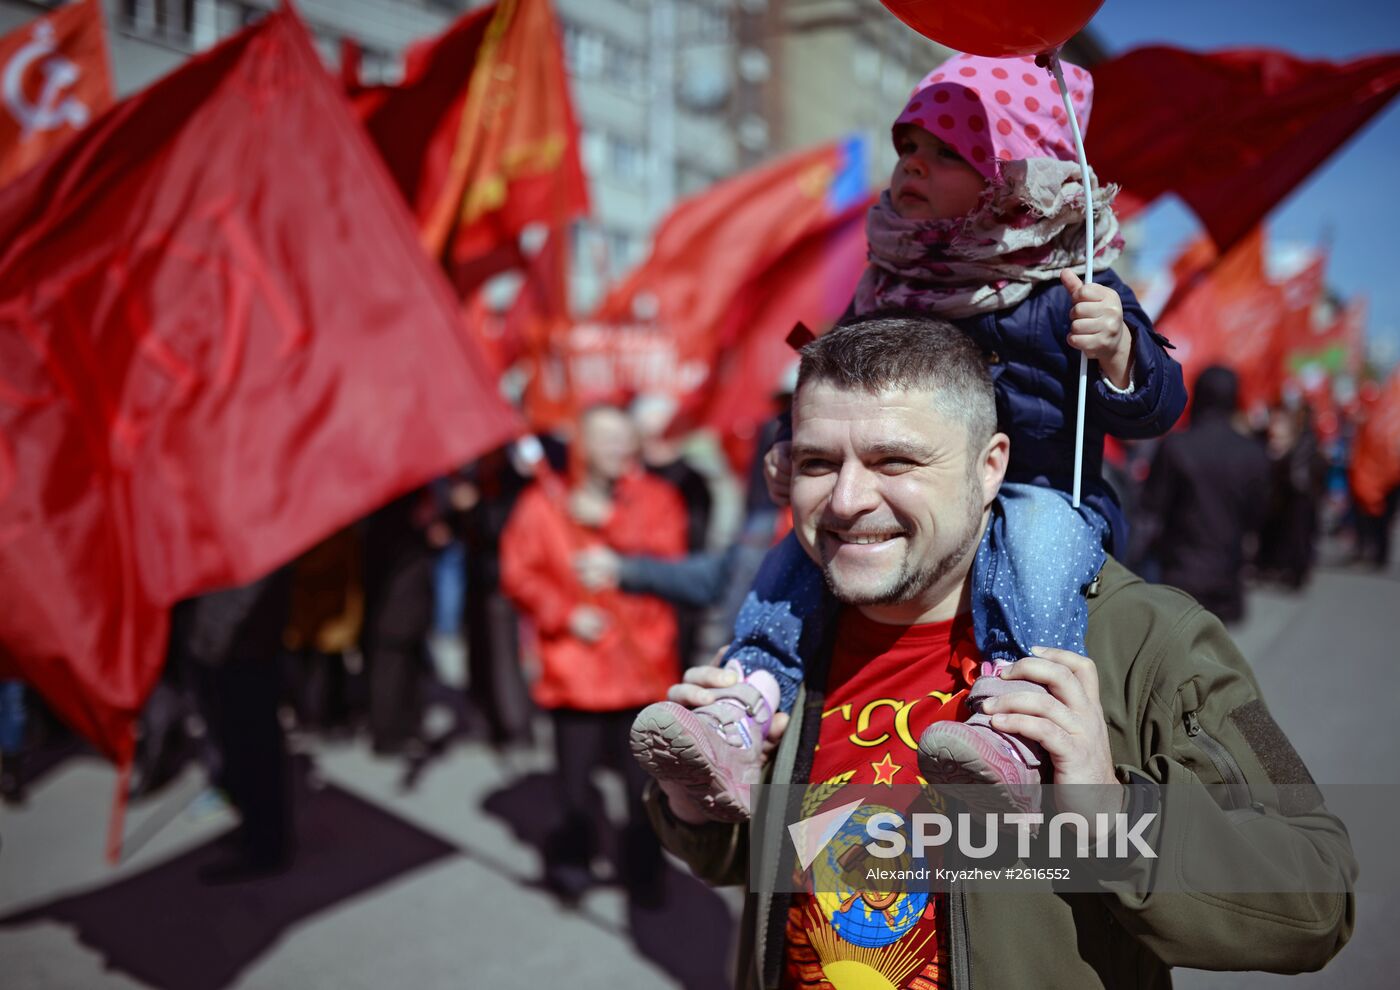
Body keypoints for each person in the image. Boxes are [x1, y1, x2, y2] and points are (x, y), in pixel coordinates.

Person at [641, 316, 1354, 988]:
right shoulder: (784, 637)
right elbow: (771, 862)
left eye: (895, 460)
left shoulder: (1142, 637)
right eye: (818, 462)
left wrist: (1111, 815)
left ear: (990, 467)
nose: (847, 499)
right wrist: (695, 805)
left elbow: (1318, 897)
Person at [632, 51, 1186, 822]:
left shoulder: (1067, 281)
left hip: (1038, 492)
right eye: (908, 149)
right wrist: (795, 447)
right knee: (794, 551)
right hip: (920, 513)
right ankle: (749, 702)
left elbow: (1157, 407)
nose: (914, 167)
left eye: (948, 154)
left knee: (1040, 543)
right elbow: (829, 377)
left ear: (1012, 179)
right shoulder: (889, 281)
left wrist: (1120, 351)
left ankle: (1014, 723)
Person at [499, 404, 688, 904]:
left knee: (643, 786)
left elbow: (671, 561)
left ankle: (644, 871)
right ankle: (572, 862)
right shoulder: (542, 502)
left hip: (641, 664)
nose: (617, 447)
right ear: (581, 444)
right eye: (604, 437)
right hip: (576, 670)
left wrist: (611, 524)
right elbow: (519, 573)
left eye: (624, 437)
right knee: (574, 783)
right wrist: (565, 614)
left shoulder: (658, 499)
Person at [1139, 366, 1271, 623]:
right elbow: (1258, 515)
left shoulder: (1176, 446)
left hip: (1178, 571)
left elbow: (1152, 507)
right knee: (1216, 642)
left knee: (1177, 640)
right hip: (1227, 569)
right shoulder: (1253, 453)